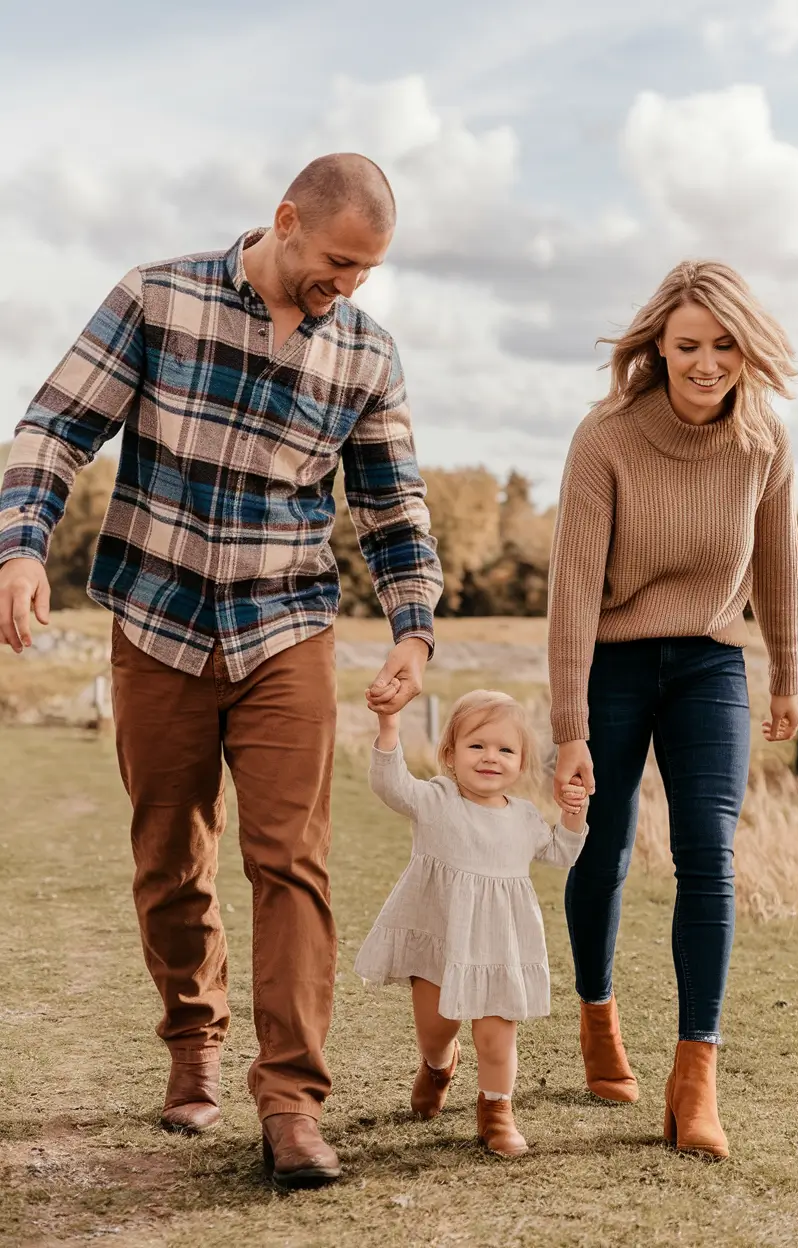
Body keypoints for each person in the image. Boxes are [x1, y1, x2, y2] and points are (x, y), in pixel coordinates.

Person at [0, 153, 443, 1189]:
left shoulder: (366, 356)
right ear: (285, 221)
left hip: (285, 628)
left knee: (292, 861)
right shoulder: (158, 297)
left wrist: (413, 628)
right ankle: (193, 1036)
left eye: (367, 272)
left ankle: (291, 1102)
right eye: (336, 263)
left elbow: (392, 506)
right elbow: (55, 426)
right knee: (169, 854)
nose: (348, 288)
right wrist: (21, 547)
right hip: (156, 623)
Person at [548, 260, 798, 1160]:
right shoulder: (606, 436)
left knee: (709, 853)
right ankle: (597, 1014)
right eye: (688, 344)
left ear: (746, 348)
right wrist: (568, 729)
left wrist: (785, 678)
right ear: (657, 344)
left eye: (724, 344)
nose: (706, 362)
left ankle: (697, 1074)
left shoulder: (764, 440)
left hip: (711, 664)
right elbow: (573, 589)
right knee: (605, 847)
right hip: (612, 662)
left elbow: (779, 565)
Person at [355, 688, 588, 1157]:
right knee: (435, 1027)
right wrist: (389, 727)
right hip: (440, 938)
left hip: (499, 946)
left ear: (522, 763)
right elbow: (390, 785)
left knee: (497, 1036)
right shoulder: (436, 799)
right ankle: (439, 1064)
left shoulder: (523, 818)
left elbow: (562, 854)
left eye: (505, 749)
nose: (490, 758)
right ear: (450, 754)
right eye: (476, 746)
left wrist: (572, 814)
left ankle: (497, 1112)